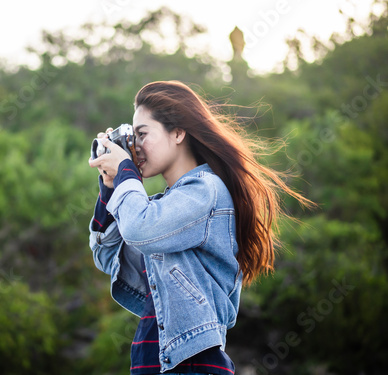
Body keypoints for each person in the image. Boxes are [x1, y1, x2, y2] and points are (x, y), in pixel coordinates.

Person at [88, 80, 312, 374]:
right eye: (133, 137)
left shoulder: (205, 192)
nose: (135, 147)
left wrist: (126, 174)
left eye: (142, 134)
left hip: (191, 365)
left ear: (178, 132)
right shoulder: (163, 208)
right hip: (156, 363)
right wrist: (109, 187)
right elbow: (106, 256)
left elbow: (139, 228)